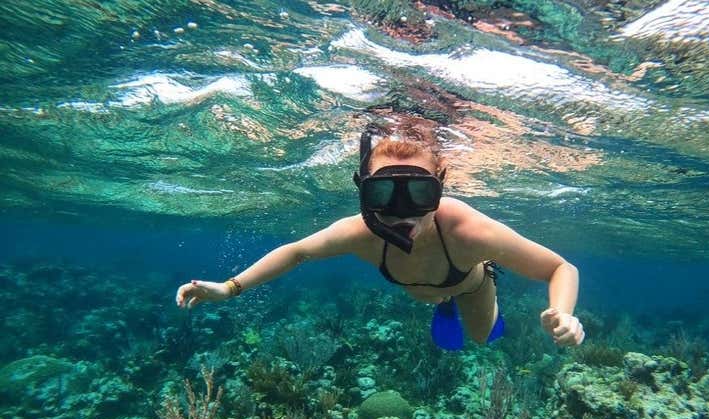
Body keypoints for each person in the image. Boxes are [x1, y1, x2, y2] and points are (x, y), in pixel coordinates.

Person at [176, 128, 585, 350]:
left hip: (471, 282)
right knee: (445, 311)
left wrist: (563, 313)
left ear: (439, 189)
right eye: (384, 195)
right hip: (423, 288)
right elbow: (297, 251)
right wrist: (230, 288)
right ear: (364, 192)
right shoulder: (360, 233)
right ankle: (443, 306)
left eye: (419, 193)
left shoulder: (468, 232)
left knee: (481, 338)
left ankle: (465, 297)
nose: (403, 212)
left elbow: (559, 267)